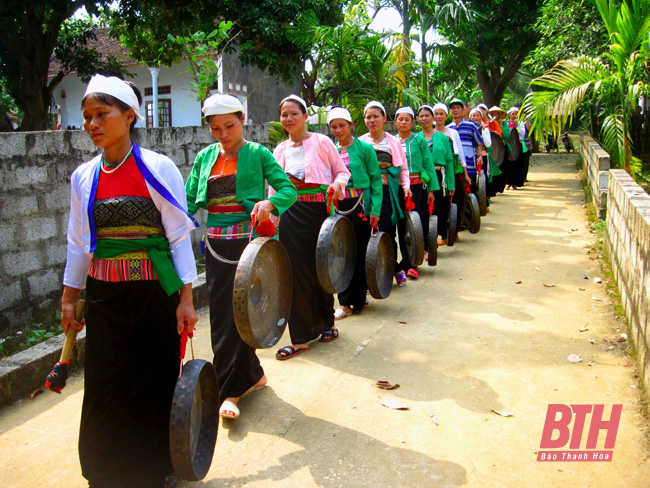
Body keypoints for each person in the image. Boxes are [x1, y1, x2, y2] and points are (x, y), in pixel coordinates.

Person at [61, 74, 199, 488]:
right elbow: (77, 242)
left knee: (154, 379)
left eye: (102, 114)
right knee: (105, 383)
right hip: (105, 297)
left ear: (129, 116)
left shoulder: (158, 167)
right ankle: (104, 471)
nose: (92, 124)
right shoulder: (83, 177)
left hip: (153, 294)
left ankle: (155, 468)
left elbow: (178, 235)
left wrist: (186, 299)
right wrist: (70, 298)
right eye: (87, 116)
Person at [185, 94, 297, 419]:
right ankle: (253, 376)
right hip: (217, 247)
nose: (223, 134)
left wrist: (270, 204)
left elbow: (287, 189)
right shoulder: (205, 157)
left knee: (245, 316)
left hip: (251, 245)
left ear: (242, 119)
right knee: (222, 317)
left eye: (229, 126)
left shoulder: (258, 154)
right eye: (216, 128)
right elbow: (188, 200)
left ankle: (228, 392)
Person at [273, 94, 350, 360]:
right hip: (291, 215)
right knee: (295, 273)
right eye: (284, 114)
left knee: (322, 267)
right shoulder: (279, 150)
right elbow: (274, 188)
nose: (289, 118)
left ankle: (327, 323)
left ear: (305, 116)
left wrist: (338, 184)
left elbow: (342, 171)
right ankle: (300, 338)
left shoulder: (323, 142)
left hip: (319, 212)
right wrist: (273, 217)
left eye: (294, 113)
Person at [327, 106, 382, 319]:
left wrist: (375, 209)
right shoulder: (330, 149)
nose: (338, 130)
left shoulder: (365, 149)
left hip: (360, 206)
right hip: (338, 207)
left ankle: (356, 300)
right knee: (341, 253)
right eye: (334, 127)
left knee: (359, 252)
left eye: (342, 125)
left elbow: (376, 180)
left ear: (351, 125)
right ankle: (345, 301)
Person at [358, 101, 411, 286]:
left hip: (388, 191)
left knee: (387, 230)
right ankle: (374, 273)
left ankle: (392, 267)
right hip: (366, 193)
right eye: (368, 117)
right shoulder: (361, 142)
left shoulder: (393, 142)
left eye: (376, 116)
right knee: (368, 232)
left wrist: (406, 186)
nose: (372, 120)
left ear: (384, 118)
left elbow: (402, 167)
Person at [394, 105, 438, 278]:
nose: (403, 122)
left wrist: (432, 190)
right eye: (400, 119)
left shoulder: (419, 140)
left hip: (418, 186)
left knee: (415, 224)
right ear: (395, 121)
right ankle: (403, 261)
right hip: (397, 187)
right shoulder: (391, 141)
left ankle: (413, 263)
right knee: (400, 224)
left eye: (407, 119)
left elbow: (428, 164)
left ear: (413, 122)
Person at [417, 103, 456, 244]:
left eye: (427, 115)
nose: (424, 118)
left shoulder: (443, 138)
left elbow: (449, 161)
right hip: (423, 178)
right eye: (421, 116)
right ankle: (427, 241)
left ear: (432, 117)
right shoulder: (416, 138)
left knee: (441, 206)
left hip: (441, 177)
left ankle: (442, 234)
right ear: (417, 119)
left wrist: (451, 184)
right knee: (424, 208)